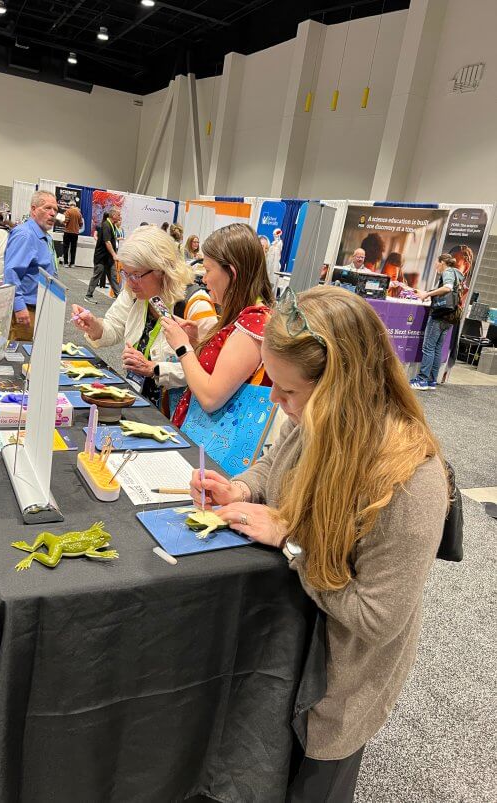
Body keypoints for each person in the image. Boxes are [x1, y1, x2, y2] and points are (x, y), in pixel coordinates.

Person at [191, 284, 449, 801]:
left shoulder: (409, 480)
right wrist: (240, 487)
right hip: (280, 646)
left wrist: (291, 543)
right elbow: (273, 464)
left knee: (310, 783)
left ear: (339, 387)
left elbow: (377, 618)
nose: (274, 401)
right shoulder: (312, 416)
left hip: (336, 680)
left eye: (287, 391)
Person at [72, 225, 217, 406]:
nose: (130, 283)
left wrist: (154, 369)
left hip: (175, 414)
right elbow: (113, 327)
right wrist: (95, 326)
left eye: (137, 275)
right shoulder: (135, 292)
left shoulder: (196, 305)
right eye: (126, 274)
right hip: (137, 400)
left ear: (162, 269)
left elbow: (210, 372)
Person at [162, 223, 274, 428]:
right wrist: (194, 342)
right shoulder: (244, 317)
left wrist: (182, 347)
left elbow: (211, 398)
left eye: (208, 270)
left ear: (231, 272)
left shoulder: (253, 323)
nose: (204, 279)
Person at [3, 190, 59, 340]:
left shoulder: (45, 237)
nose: (53, 213)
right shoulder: (25, 235)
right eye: (47, 208)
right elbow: (11, 273)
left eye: (55, 210)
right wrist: (19, 306)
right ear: (33, 209)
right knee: (21, 357)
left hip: (41, 307)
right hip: (26, 311)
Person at [410, 253, 464, 390]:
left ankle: (422, 380)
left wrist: (427, 294)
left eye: (436, 263)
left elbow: (448, 288)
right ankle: (431, 380)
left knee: (428, 347)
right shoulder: (457, 274)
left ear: (442, 263)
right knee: (437, 348)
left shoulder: (448, 272)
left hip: (440, 315)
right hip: (449, 316)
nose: (435, 266)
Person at [84, 207, 122, 301]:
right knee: (97, 275)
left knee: (113, 277)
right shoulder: (106, 225)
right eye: (118, 215)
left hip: (108, 258)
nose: (120, 217)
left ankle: (119, 298)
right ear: (113, 215)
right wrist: (114, 254)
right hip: (101, 257)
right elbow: (107, 242)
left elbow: (111, 241)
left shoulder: (112, 225)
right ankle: (88, 296)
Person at [63, 201, 84, 267]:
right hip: (75, 233)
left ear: (70, 205)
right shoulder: (79, 213)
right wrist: (77, 226)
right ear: (74, 205)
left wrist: (62, 222)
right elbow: (81, 223)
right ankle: (72, 263)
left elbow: (66, 220)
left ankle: (66, 263)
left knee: (66, 247)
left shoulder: (68, 211)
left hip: (67, 232)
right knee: (73, 248)